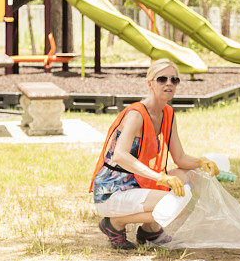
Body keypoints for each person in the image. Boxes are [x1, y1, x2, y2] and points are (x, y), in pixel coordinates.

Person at [90, 58, 220, 250]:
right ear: (150, 83)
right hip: (113, 190)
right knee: (176, 204)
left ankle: (149, 229)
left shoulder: (167, 113)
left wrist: (201, 162)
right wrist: (161, 178)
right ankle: (114, 224)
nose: (169, 83)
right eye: (162, 79)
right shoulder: (136, 114)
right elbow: (120, 156)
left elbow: (180, 158)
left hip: (139, 183)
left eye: (174, 80)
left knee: (191, 179)